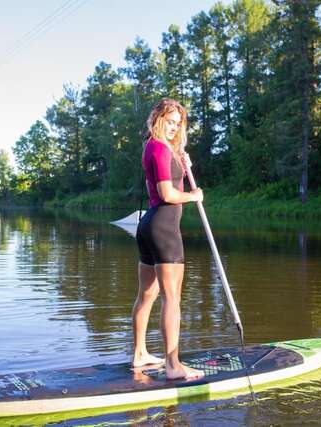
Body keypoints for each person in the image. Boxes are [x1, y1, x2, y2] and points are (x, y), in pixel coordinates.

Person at [132, 98, 205, 380]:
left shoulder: (156, 148)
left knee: (148, 295)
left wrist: (184, 165)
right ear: (158, 119)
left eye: (178, 123)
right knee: (171, 298)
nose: (174, 127)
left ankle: (139, 354)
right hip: (163, 227)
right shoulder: (160, 149)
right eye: (170, 121)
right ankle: (173, 366)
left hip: (148, 225)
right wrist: (194, 196)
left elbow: (170, 181)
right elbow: (167, 194)